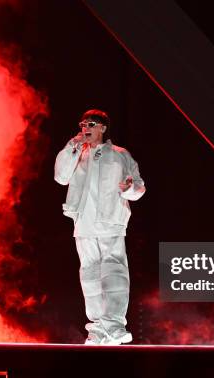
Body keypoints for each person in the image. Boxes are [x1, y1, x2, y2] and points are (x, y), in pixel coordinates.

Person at [54, 109, 146, 345]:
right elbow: (60, 177)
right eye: (83, 123)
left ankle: (114, 326)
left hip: (110, 221)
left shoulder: (120, 155)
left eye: (91, 124)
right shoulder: (77, 153)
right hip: (84, 222)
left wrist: (128, 188)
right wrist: (74, 145)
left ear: (103, 128)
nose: (86, 127)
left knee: (114, 271)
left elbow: (138, 187)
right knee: (90, 275)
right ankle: (97, 329)